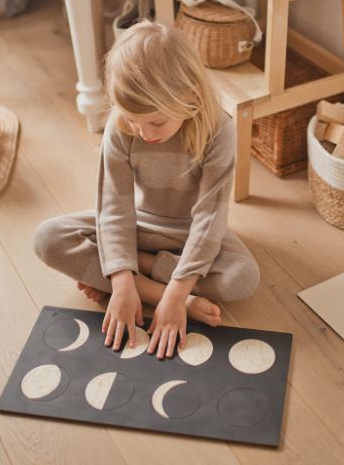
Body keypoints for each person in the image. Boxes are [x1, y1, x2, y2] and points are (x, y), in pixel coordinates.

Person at [33, 20, 260, 361]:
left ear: (189, 96)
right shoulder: (122, 127)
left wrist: (167, 291)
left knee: (242, 278)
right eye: (132, 119)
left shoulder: (219, 130)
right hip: (139, 226)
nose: (144, 132)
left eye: (155, 122)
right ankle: (141, 280)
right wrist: (125, 283)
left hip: (191, 233)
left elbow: (210, 218)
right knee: (47, 237)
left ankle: (136, 271)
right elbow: (115, 208)